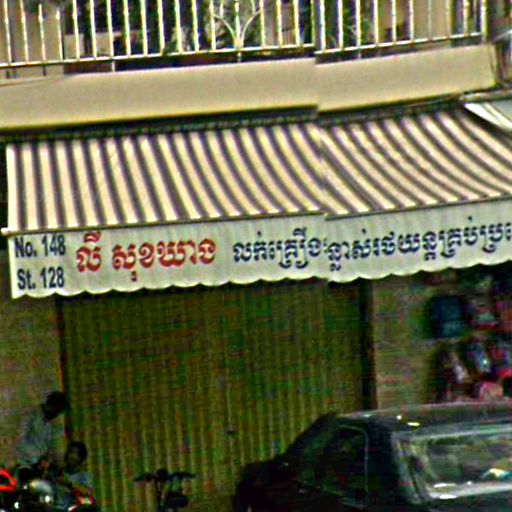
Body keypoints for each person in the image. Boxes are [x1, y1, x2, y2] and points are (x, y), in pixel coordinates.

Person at [14, 391, 68, 480]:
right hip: (26, 464)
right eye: (56, 411)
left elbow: (54, 445)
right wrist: (37, 458)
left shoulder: (54, 423)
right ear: (50, 406)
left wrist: (57, 462)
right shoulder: (31, 415)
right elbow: (20, 440)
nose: (56, 415)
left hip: (43, 467)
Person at [52, 441, 95, 512]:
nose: (68, 455)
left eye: (72, 453)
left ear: (80, 457)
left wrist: (68, 483)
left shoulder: (84, 476)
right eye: (68, 452)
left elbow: (87, 493)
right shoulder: (58, 472)